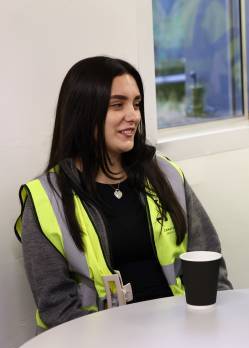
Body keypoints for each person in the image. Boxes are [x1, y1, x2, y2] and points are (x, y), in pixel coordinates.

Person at [15, 56, 232, 330]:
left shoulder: (166, 175)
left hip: (179, 336)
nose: (134, 115)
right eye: (118, 105)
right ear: (84, 113)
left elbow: (209, 258)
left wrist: (215, 326)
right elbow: (57, 307)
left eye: (136, 104)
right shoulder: (47, 199)